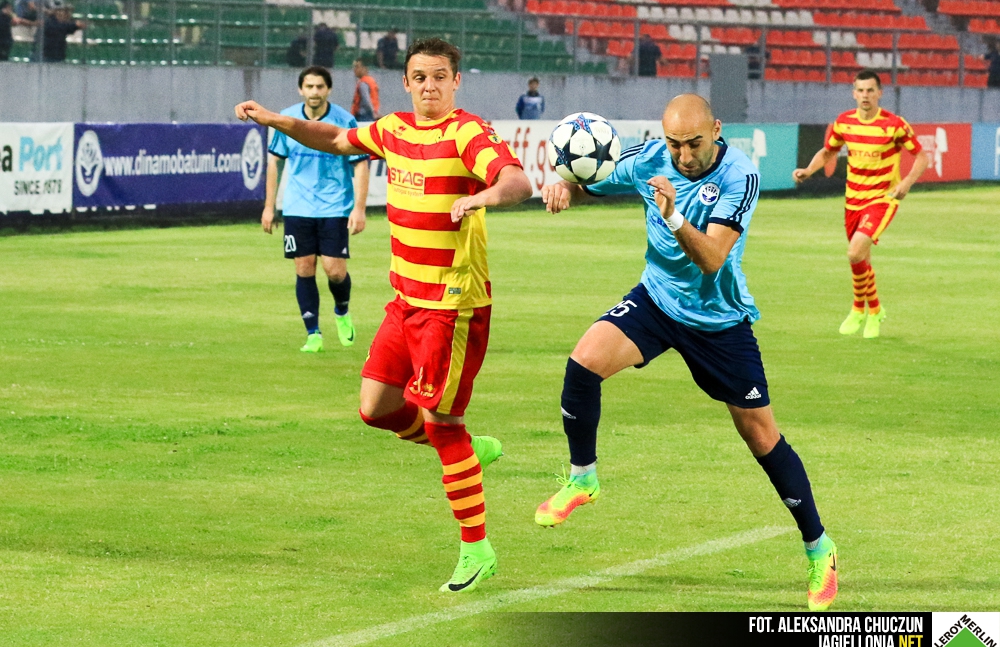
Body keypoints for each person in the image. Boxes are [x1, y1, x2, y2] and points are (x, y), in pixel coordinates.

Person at [236, 38, 533, 593]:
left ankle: (477, 550)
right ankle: (467, 450)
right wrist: (275, 119)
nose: (429, 86)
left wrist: (482, 197)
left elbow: (516, 180)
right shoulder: (393, 129)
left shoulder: (467, 133)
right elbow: (334, 139)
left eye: (440, 77)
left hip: (452, 307)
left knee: (442, 423)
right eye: (420, 77)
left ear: (456, 81)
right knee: (375, 408)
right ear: (406, 82)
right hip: (404, 302)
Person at [536, 94, 839, 612]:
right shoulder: (649, 157)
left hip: (718, 322)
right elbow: (594, 182)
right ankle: (583, 477)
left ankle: (819, 548)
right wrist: (566, 185)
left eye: (693, 143)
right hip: (657, 301)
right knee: (583, 363)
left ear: (716, 130)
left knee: (761, 436)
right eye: (674, 144)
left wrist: (674, 216)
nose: (683, 155)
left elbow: (713, 258)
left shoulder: (740, 176)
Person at [793, 70, 928, 339]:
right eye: (861, 91)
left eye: (870, 90)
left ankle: (857, 308)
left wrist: (906, 183)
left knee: (854, 253)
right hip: (853, 201)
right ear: (854, 94)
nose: (865, 95)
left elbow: (922, 157)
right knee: (862, 258)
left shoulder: (894, 125)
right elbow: (828, 152)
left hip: (882, 199)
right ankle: (875, 310)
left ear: (880, 93)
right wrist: (808, 170)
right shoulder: (844, 122)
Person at [262, 66, 369, 353]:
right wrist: (269, 206)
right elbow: (275, 162)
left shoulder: (344, 121)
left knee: (334, 271)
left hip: (335, 206)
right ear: (301, 89)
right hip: (297, 207)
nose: (314, 92)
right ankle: (313, 334)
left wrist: (359, 208)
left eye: (320, 86)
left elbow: (360, 164)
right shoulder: (287, 119)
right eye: (309, 86)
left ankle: (342, 310)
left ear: (328, 90)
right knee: (303, 267)